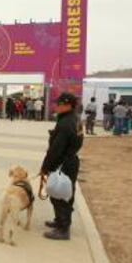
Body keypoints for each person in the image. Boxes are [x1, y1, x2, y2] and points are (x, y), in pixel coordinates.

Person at [40, 92, 83, 240]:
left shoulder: (66, 123)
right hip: (70, 161)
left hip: (63, 163)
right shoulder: (74, 119)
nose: (56, 106)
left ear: (67, 105)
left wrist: (45, 167)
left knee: (61, 196)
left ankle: (63, 229)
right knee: (61, 194)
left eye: (59, 104)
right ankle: (59, 221)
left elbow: (55, 150)